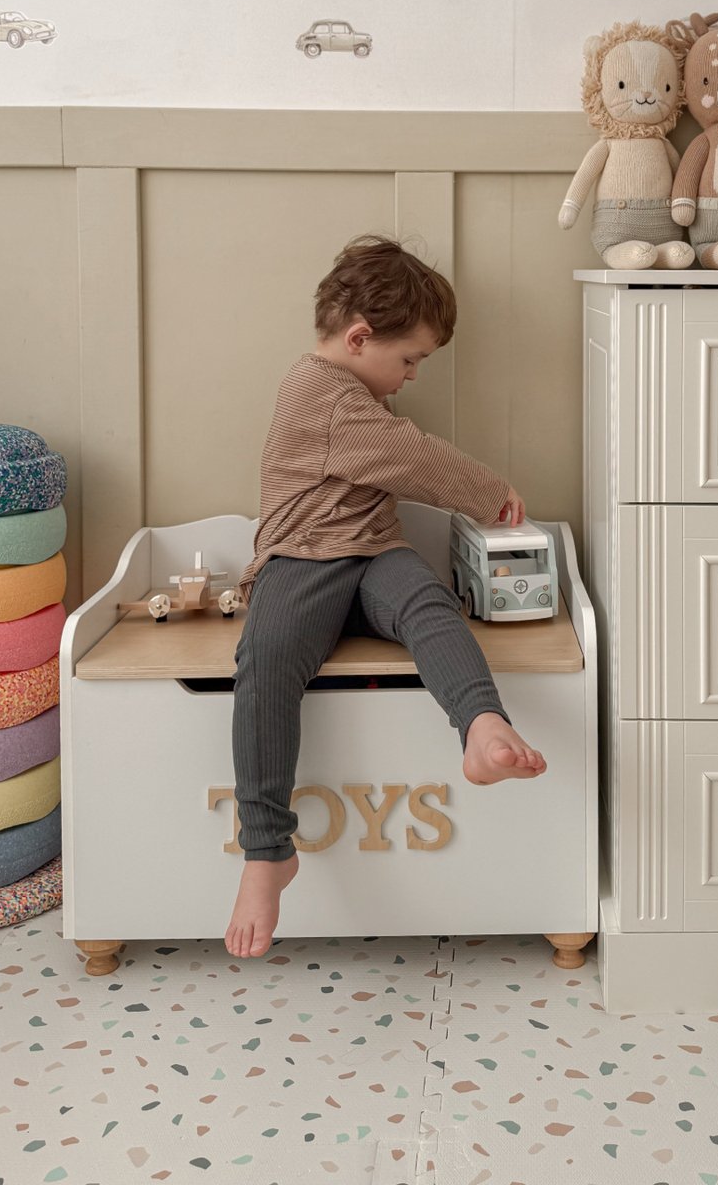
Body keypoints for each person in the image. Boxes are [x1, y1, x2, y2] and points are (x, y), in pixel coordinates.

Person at [225, 235, 547, 959]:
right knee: (266, 660)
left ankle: (482, 726)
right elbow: (411, 455)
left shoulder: (352, 394)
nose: (410, 376)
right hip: (302, 560)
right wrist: (489, 492)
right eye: (408, 360)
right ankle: (267, 849)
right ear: (359, 338)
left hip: (371, 552)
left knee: (428, 605)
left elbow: (394, 459)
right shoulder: (319, 392)